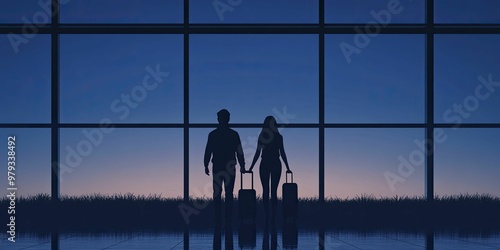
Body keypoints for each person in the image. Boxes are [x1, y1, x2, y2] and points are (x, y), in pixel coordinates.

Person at [204, 109, 245, 226]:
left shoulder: (213, 135)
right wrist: (242, 166)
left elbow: (208, 151)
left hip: (217, 165)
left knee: (217, 192)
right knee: (229, 193)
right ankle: (228, 218)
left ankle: (218, 217)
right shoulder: (233, 134)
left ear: (218, 119)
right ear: (228, 119)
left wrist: (205, 164)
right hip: (230, 166)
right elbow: (239, 152)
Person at [249, 116, 291, 222]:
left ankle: (267, 215)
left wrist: (251, 167)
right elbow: (282, 153)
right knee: (274, 191)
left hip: (265, 163)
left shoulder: (262, 136)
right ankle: (273, 215)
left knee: (265, 190)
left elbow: (257, 153)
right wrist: (287, 167)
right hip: (276, 163)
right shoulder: (279, 137)